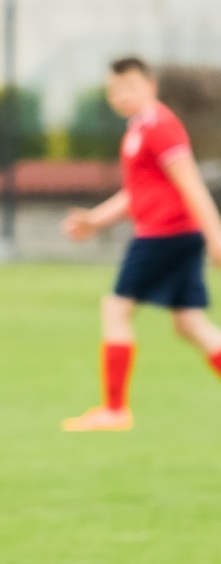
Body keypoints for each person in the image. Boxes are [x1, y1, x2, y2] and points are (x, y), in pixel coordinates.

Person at [61, 56, 221, 432]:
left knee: (116, 308)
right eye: (114, 90)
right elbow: (137, 192)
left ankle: (115, 410)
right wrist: (95, 220)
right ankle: (114, 410)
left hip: (164, 233)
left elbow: (191, 183)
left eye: (130, 87)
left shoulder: (160, 127)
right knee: (189, 323)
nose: (122, 95)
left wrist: (216, 235)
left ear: (150, 86)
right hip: (177, 234)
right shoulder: (139, 128)